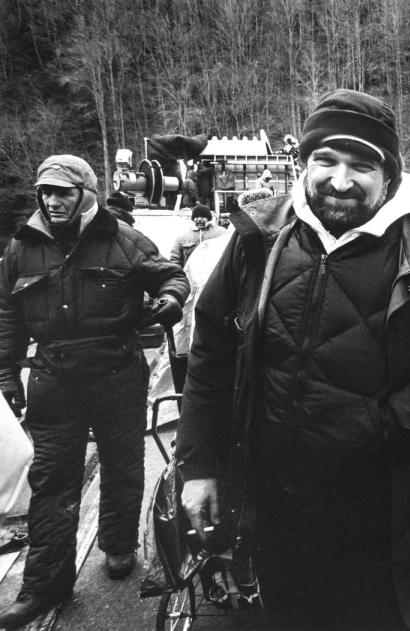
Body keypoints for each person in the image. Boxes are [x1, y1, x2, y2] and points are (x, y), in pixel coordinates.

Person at [176, 88, 410, 630]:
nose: (340, 180)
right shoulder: (258, 240)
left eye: (361, 164)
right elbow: (212, 356)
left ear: (391, 176)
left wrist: (386, 422)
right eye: (326, 160)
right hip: (274, 503)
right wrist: (199, 467)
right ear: (304, 164)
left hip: (383, 515)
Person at [0, 155, 189, 628]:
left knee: (123, 465)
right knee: (50, 482)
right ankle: (44, 586)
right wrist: (5, 375)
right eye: (46, 191)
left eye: (63, 191)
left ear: (86, 193)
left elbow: (171, 274)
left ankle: (119, 545)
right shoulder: (20, 250)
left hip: (116, 374)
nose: (51, 200)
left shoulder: (123, 240)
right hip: (52, 381)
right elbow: (7, 317)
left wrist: (169, 302)